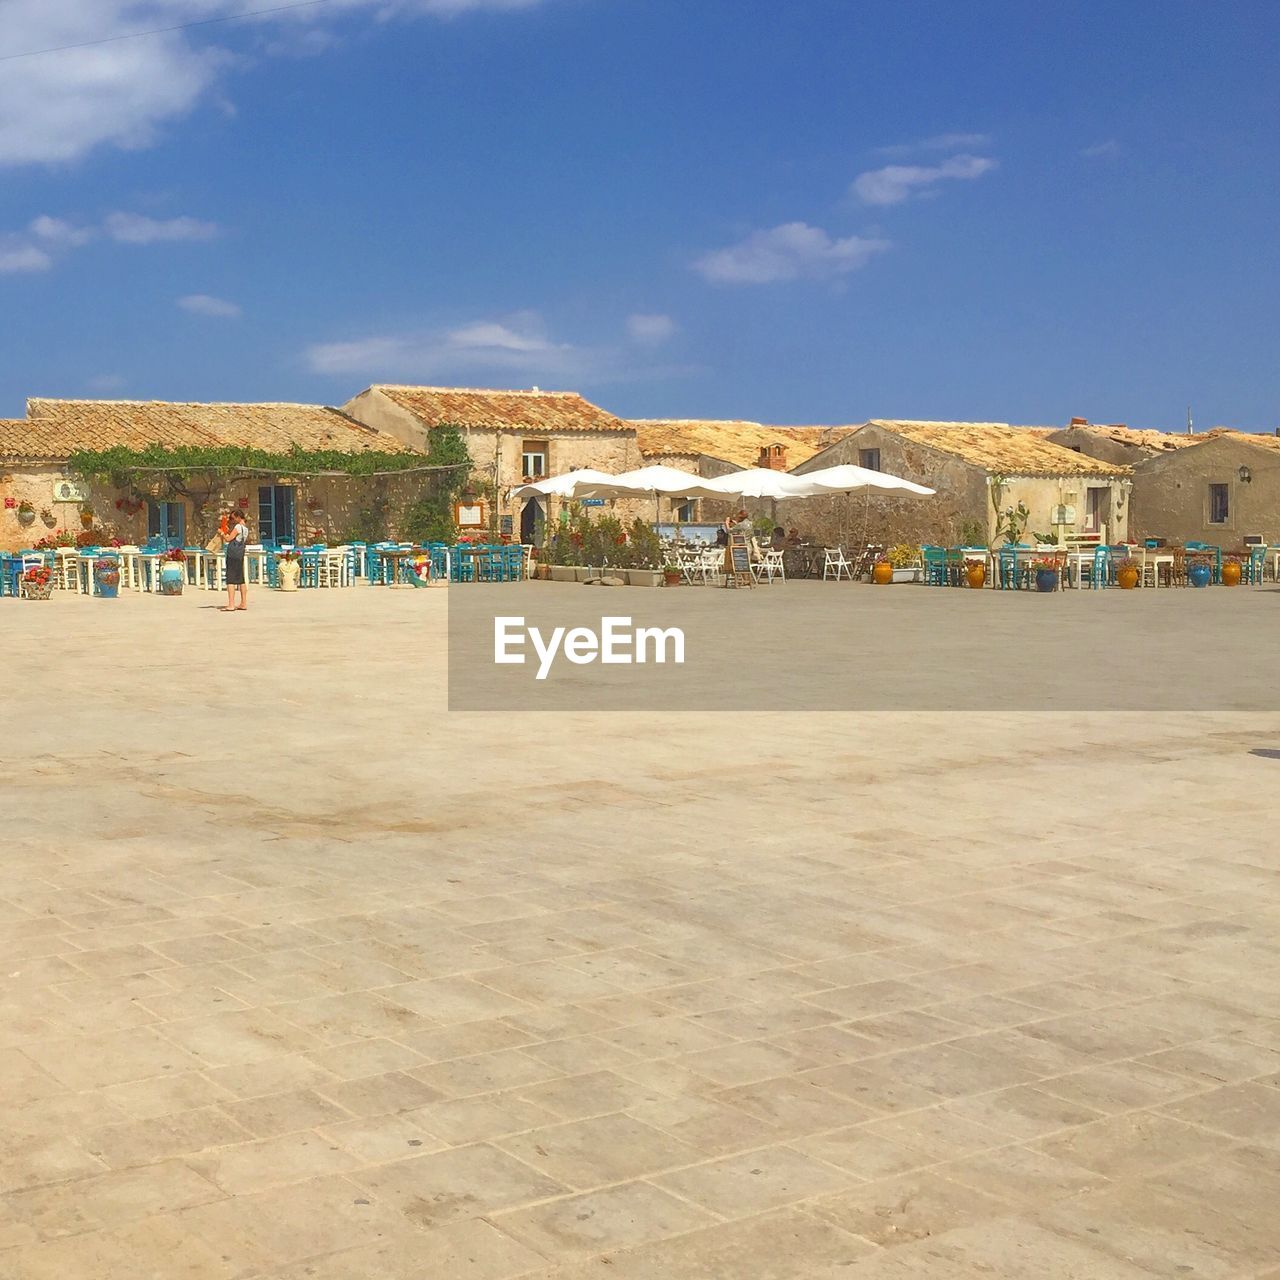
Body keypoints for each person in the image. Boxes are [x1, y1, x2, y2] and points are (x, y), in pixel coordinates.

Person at [223, 508, 249, 611]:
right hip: (240, 554)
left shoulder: (238, 527)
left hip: (233, 554)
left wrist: (222, 533)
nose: (232, 520)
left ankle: (231, 604)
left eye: (233, 518)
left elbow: (228, 539)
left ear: (238, 517)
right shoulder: (245, 529)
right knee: (241, 578)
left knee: (231, 579)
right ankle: (243, 603)